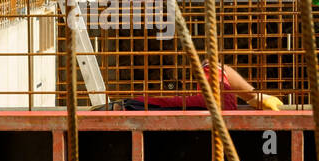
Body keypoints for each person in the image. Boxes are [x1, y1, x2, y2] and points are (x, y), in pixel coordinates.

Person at [100, 62, 284, 111]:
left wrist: (253, 96)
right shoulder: (221, 104)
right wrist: (253, 96)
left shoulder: (218, 103)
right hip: (132, 108)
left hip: (130, 107)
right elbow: (212, 65)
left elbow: (214, 66)